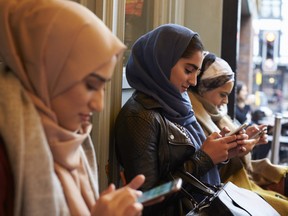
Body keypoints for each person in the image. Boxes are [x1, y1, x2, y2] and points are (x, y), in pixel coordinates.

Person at [0, 0, 146, 215]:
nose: (99, 105)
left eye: (103, 87)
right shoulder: (6, 155)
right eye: (89, 85)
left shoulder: (71, 139)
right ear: (47, 73)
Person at [114, 24, 248, 216]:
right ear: (162, 62)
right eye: (188, 70)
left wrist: (223, 152)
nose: (193, 81)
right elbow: (146, 199)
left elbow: (188, 167)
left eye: (197, 71)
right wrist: (204, 158)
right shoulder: (140, 117)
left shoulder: (178, 104)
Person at [188, 52, 288, 215]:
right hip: (229, 193)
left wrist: (246, 140)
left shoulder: (215, 115)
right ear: (203, 87)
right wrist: (238, 150)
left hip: (239, 185)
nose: (226, 101)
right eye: (222, 94)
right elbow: (210, 172)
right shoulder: (194, 118)